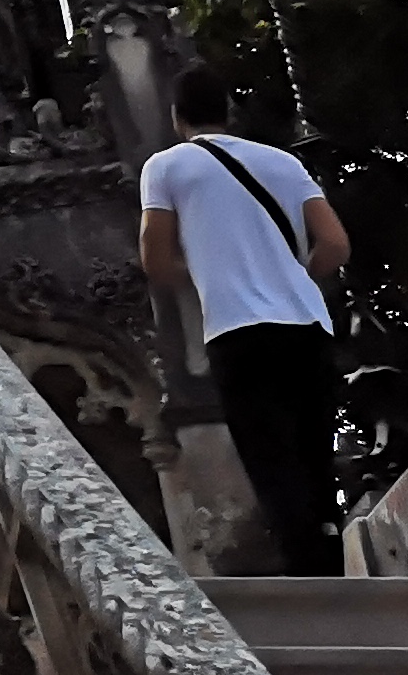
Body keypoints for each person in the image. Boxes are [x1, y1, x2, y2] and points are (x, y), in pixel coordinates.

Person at [139, 62, 353, 574]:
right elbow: (335, 245)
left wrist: (208, 274)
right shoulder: (282, 162)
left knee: (270, 457)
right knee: (314, 453)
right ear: (229, 111)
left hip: (238, 331)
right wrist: (292, 275)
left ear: (177, 117)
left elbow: (154, 258)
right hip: (306, 325)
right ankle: (334, 555)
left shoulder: (166, 167)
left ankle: (309, 575)